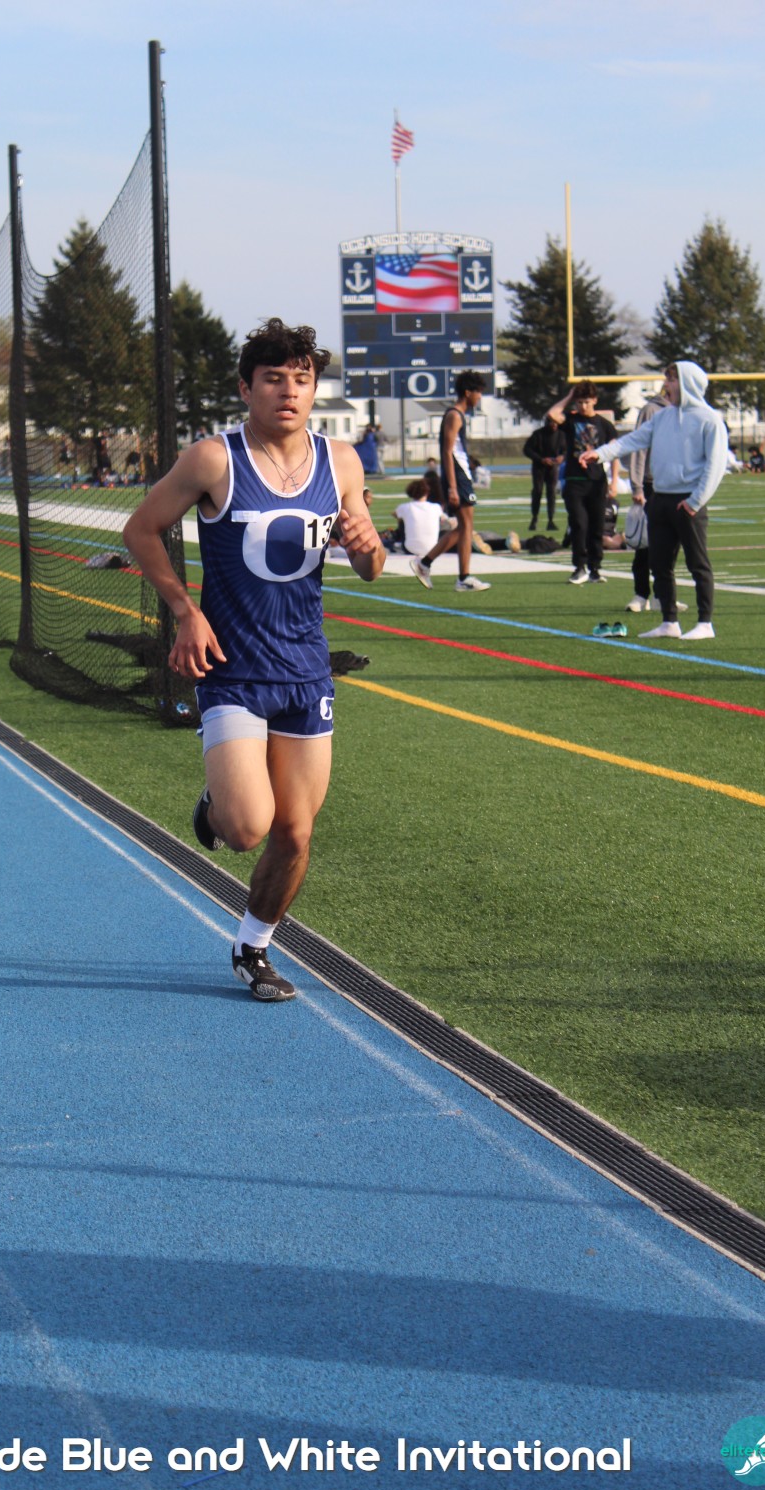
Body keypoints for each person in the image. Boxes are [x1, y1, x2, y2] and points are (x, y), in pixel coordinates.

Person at [122, 318, 384, 1002]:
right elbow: (142, 529)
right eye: (273, 379)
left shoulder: (342, 462)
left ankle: (253, 947)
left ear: (315, 388)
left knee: (295, 832)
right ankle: (216, 807)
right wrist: (186, 611)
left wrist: (366, 544)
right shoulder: (214, 459)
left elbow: (372, 565)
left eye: (302, 379)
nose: (289, 392)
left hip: (305, 671)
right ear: (246, 389)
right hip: (233, 670)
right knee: (246, 829)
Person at [579, 360, 727, 641]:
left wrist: (696, 501)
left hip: (688, 502)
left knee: (698, 563)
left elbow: (716, 465)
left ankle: (705, 623)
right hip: (659, 499)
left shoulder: (709, 420)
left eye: (671, 379)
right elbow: (632, 441)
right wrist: (600, 454)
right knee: (659, 564)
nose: (665, 384)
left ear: (687, 383)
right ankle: (669, 621)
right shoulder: (662, 417)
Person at [408, 371, 490, 592]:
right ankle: (462, 577)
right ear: (468, 392)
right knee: (466, 526)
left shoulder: (459, 415)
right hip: (458, 477)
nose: (479, 397)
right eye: (478, 393)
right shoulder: (454, 415)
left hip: (462, 476)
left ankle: (426, 563)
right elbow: (447, 452)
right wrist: (452, 487)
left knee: (465, 527)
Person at [546, 381, 619, 585]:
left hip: (597, 482)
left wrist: (614, 481)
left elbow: (615, 453)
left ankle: (595, 568)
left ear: (595, 400)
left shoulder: (604, 425)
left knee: (597, 526)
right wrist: (570, 396)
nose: (582, 406)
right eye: (579, 402)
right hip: (575, 481)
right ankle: (580, 567)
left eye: (586, 401)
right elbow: (552, 413)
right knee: (578, 523)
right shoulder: (571, 420)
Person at [621, 389, 684, 618]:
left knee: (671, 544)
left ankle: (662, 595)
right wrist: (637, 486)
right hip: (651, 484)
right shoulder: (651, 410)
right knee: (645, 543)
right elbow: (639, 448)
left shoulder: (687, 411)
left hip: (676, 485)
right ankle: (641, 594)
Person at [522, 415, 563, 530]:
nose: (554, 425)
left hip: (553, 468)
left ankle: (551, 520)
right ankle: (534, 518)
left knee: (551, 493)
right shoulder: (538, 434)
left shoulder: (561, 434)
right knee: (537, 491)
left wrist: (562, 457)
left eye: (556, 423)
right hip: (539, 467)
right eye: (552, 422)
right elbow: (527, 449)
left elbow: (566, 449)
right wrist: (541, 459)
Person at [390, 477, 443, 557]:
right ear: (426, 492)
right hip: (433, 549)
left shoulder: (405, 507)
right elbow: (444, 519)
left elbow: (395, 514)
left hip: (409, 549)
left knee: (402, 520)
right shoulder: (436, 507)